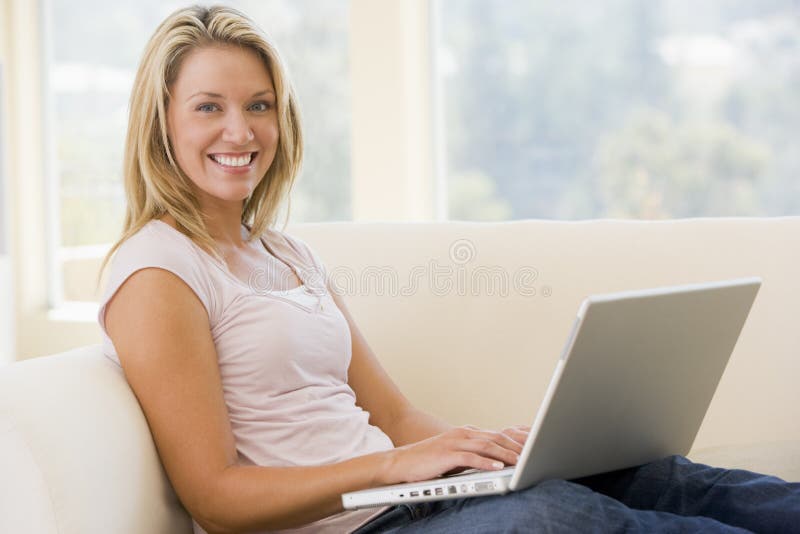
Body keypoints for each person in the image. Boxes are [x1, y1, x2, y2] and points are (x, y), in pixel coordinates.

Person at [98, 5, 799, 533]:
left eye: (259, 106)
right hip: (362, 525)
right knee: (556, 515)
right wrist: (390, 469)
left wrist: (490, 450)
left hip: (406, 502)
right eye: (208, 108)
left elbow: (396, 415)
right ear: (161, 122)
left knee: (648, 474)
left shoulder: (286, 252)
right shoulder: (157, 272)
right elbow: (215, 499)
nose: (241, 131)